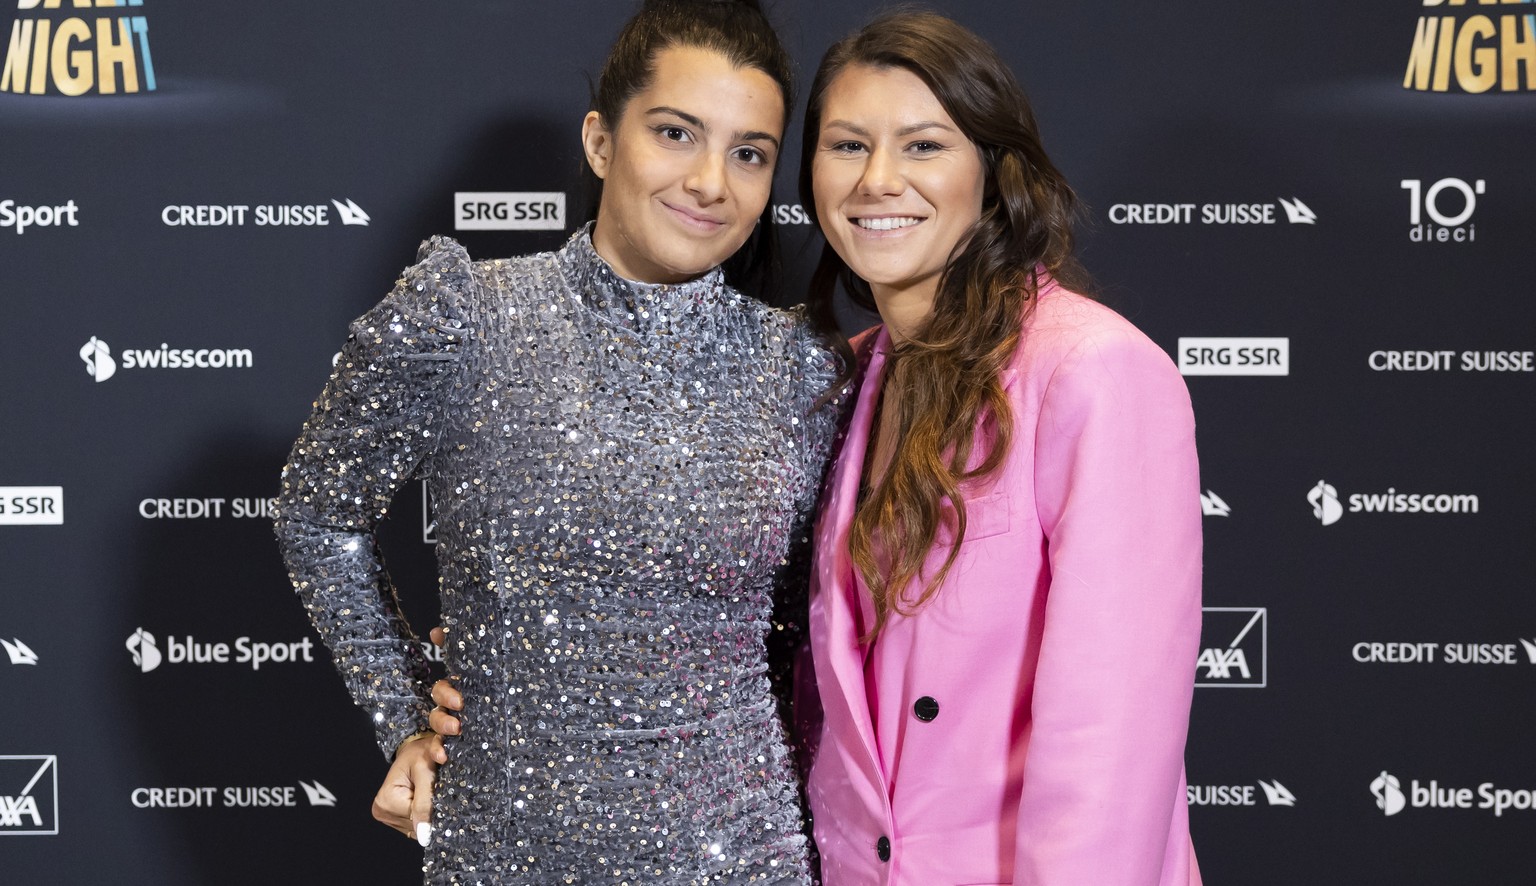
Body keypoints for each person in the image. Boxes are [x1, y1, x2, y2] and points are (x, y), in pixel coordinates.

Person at [273, 1, 845, 882]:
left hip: (744, 852)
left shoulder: (804, 369)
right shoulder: (466, 315)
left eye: (749, 154)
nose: (710, 182)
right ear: (601, 141)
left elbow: (815, 623)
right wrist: (403, 709)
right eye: (676, 133)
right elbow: (318, 515)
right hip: (505, 849)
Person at [797, 11, 1204, 885]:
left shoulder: (1093, 370)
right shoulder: (846, 379)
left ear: (992, 171)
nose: (878, 180)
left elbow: (1109, 741)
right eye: (847, 145)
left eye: (924, 146)